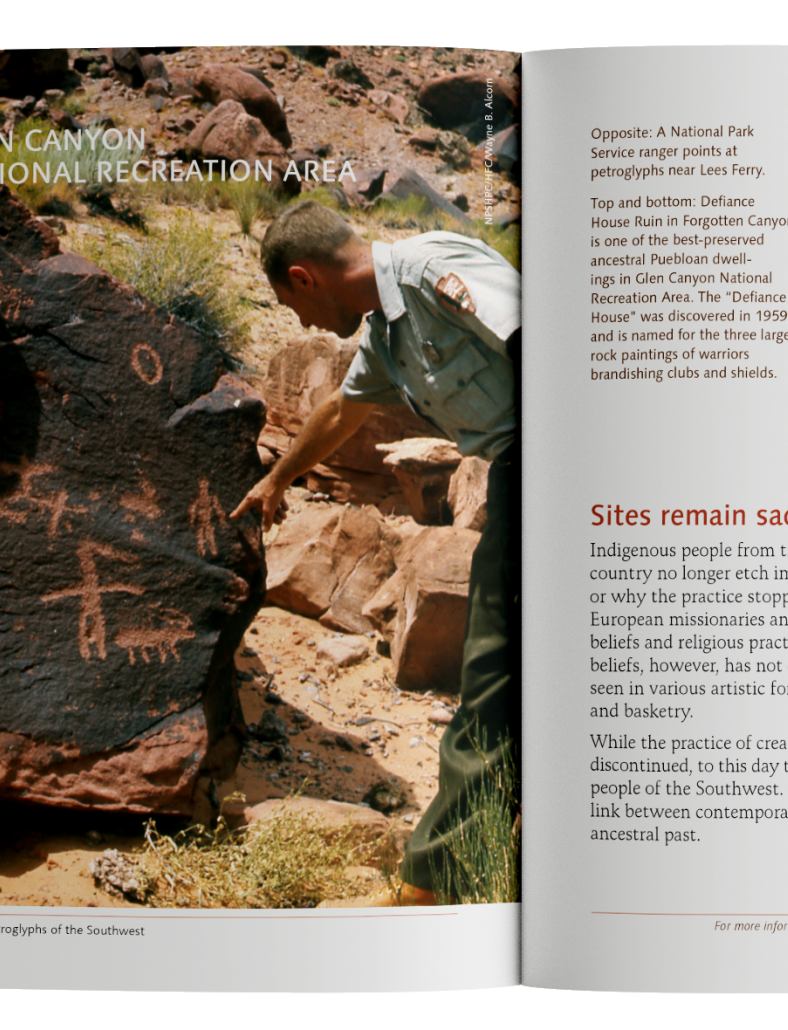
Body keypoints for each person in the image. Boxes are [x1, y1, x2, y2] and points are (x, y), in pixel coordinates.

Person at [230, 199, 520, 906]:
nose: (300, 326)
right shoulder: (389, 338)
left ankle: (428, 886)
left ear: (304, 278)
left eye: (290, 305)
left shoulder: (429, 271)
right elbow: (340, 412)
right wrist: (277, 480)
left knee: (490, 682)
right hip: (520, 477)